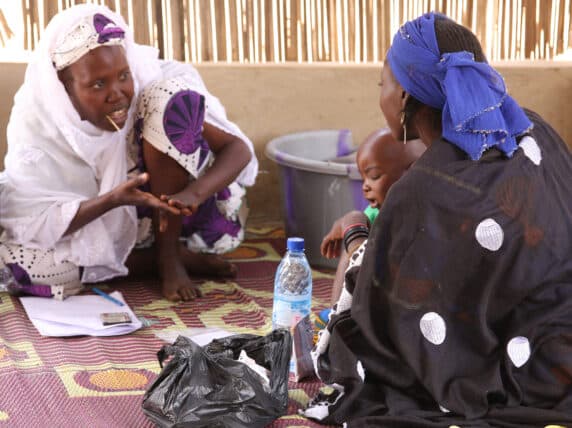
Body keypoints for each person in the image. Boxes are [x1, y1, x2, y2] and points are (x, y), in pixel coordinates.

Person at [306, 12, 572, 427]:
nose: (380, 96)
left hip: (526, 373)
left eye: (383, 85)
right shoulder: (534, 130)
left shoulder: (425, 191)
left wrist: (357, 230)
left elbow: (364, 314)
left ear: (406, 97)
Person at [0, 4, 258, 302]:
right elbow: (32, 218)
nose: (118, 92)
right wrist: (112, 200)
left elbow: (237, 149)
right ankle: (148, 263)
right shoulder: (37, 122)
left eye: (123, 75)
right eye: (98, 84)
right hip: (106, 231)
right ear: (64, 88)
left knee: (168, 102)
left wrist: (193, 195)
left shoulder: (152, 81)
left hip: (185, 222)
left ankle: (170, 254)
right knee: (17, 268)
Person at [320, 129, 425, 305]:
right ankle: (337, 310)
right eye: (363, 178)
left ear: (414, 171)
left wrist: (352, 225)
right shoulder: (374, 214)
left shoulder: (427, 215)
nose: (365, 186)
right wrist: (350, 226)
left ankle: (339, 316)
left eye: (374, 176)